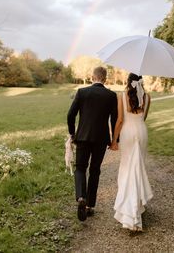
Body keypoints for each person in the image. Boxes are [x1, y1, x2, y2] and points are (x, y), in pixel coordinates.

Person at [67, 66, 118, 221]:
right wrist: (115, 140)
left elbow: (70, 115)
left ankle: (81, 197)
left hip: (82, 137)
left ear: (92, 77)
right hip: (101, 139)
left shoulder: (82, 92)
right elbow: (114, 120)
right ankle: (89, 206)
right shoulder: (111, 95)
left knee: (80, 168)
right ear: (105, 79)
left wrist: (72, 133)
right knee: (95, 170)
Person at [110, 73, 153, 231]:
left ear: (128, 82)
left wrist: (114, 140)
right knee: (138, 167)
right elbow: (144, 118)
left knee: (128, 168)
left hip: (128, 133)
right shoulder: (148, 97)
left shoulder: (122, 95)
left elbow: (120, 120)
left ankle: (130, 212)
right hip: (141, 132)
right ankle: (138, 206)